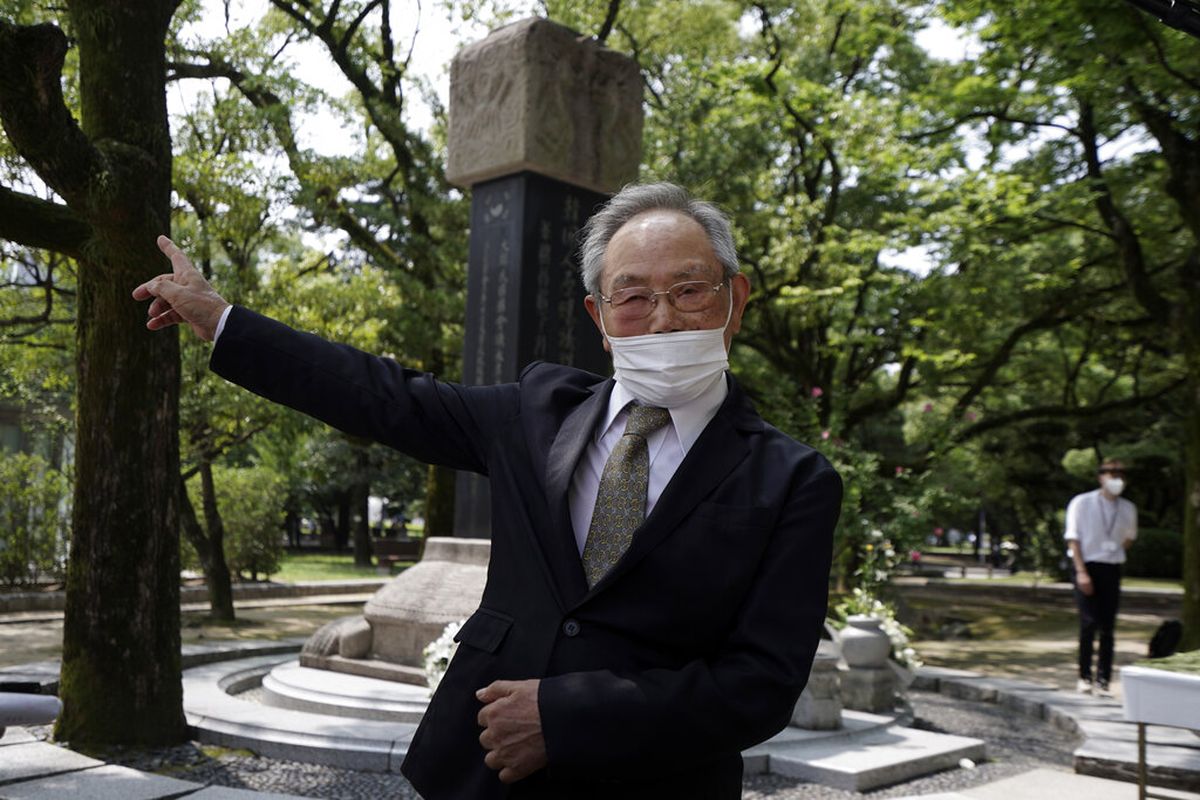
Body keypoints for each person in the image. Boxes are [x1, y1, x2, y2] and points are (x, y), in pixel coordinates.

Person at [133, 182, 842, 799]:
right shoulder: (536, 412)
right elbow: (382, 396)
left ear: (735, 299)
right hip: (482, 775)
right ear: (599, 319)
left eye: (689, 290)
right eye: (633, 296)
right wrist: (226, 323)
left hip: (659, 782)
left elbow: (761, 684)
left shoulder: (791, 479)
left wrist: (565, 715)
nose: (661, 318)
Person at [1064, 459, 1138, 697]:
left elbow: (1128, 538)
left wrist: (1114, 551)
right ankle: (1084, 676)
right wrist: (1082, 571)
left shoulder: (1128, 508)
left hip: (1112, 566)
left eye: (1120, 474)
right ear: (1100, 476)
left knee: (1108, 627)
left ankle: (1103, 679)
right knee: (1088, 623)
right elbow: (1073, 538)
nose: (1116, 478)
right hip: (1086, 565)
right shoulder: (1082, 503)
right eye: (1111, 473)